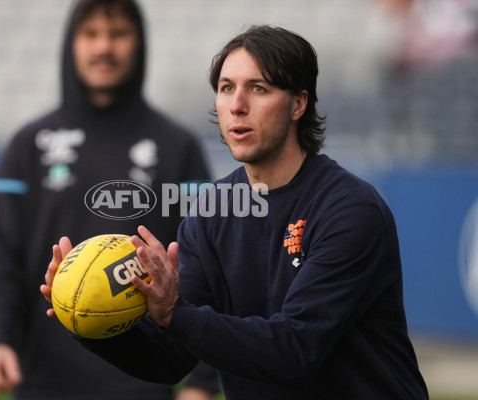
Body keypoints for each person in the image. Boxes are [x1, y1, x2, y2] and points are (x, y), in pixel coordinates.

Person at [42, 25, 430, 399]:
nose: (237, 105)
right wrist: (84, 316)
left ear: (298, 103)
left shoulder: (349, 210)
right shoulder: (211, 213)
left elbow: (295, 349)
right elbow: (170, 360)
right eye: (226, 88)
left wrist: (176, 313)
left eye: (258, 89)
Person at [0, 0, 220, 399]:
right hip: (44, 380)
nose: (104, 47)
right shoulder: (27, 147)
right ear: (72, 43)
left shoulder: (178, 147)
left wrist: (204, 382)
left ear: (139, 44)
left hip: (145, 378)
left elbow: (207, 267)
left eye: (118, 34)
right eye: (91, 34)